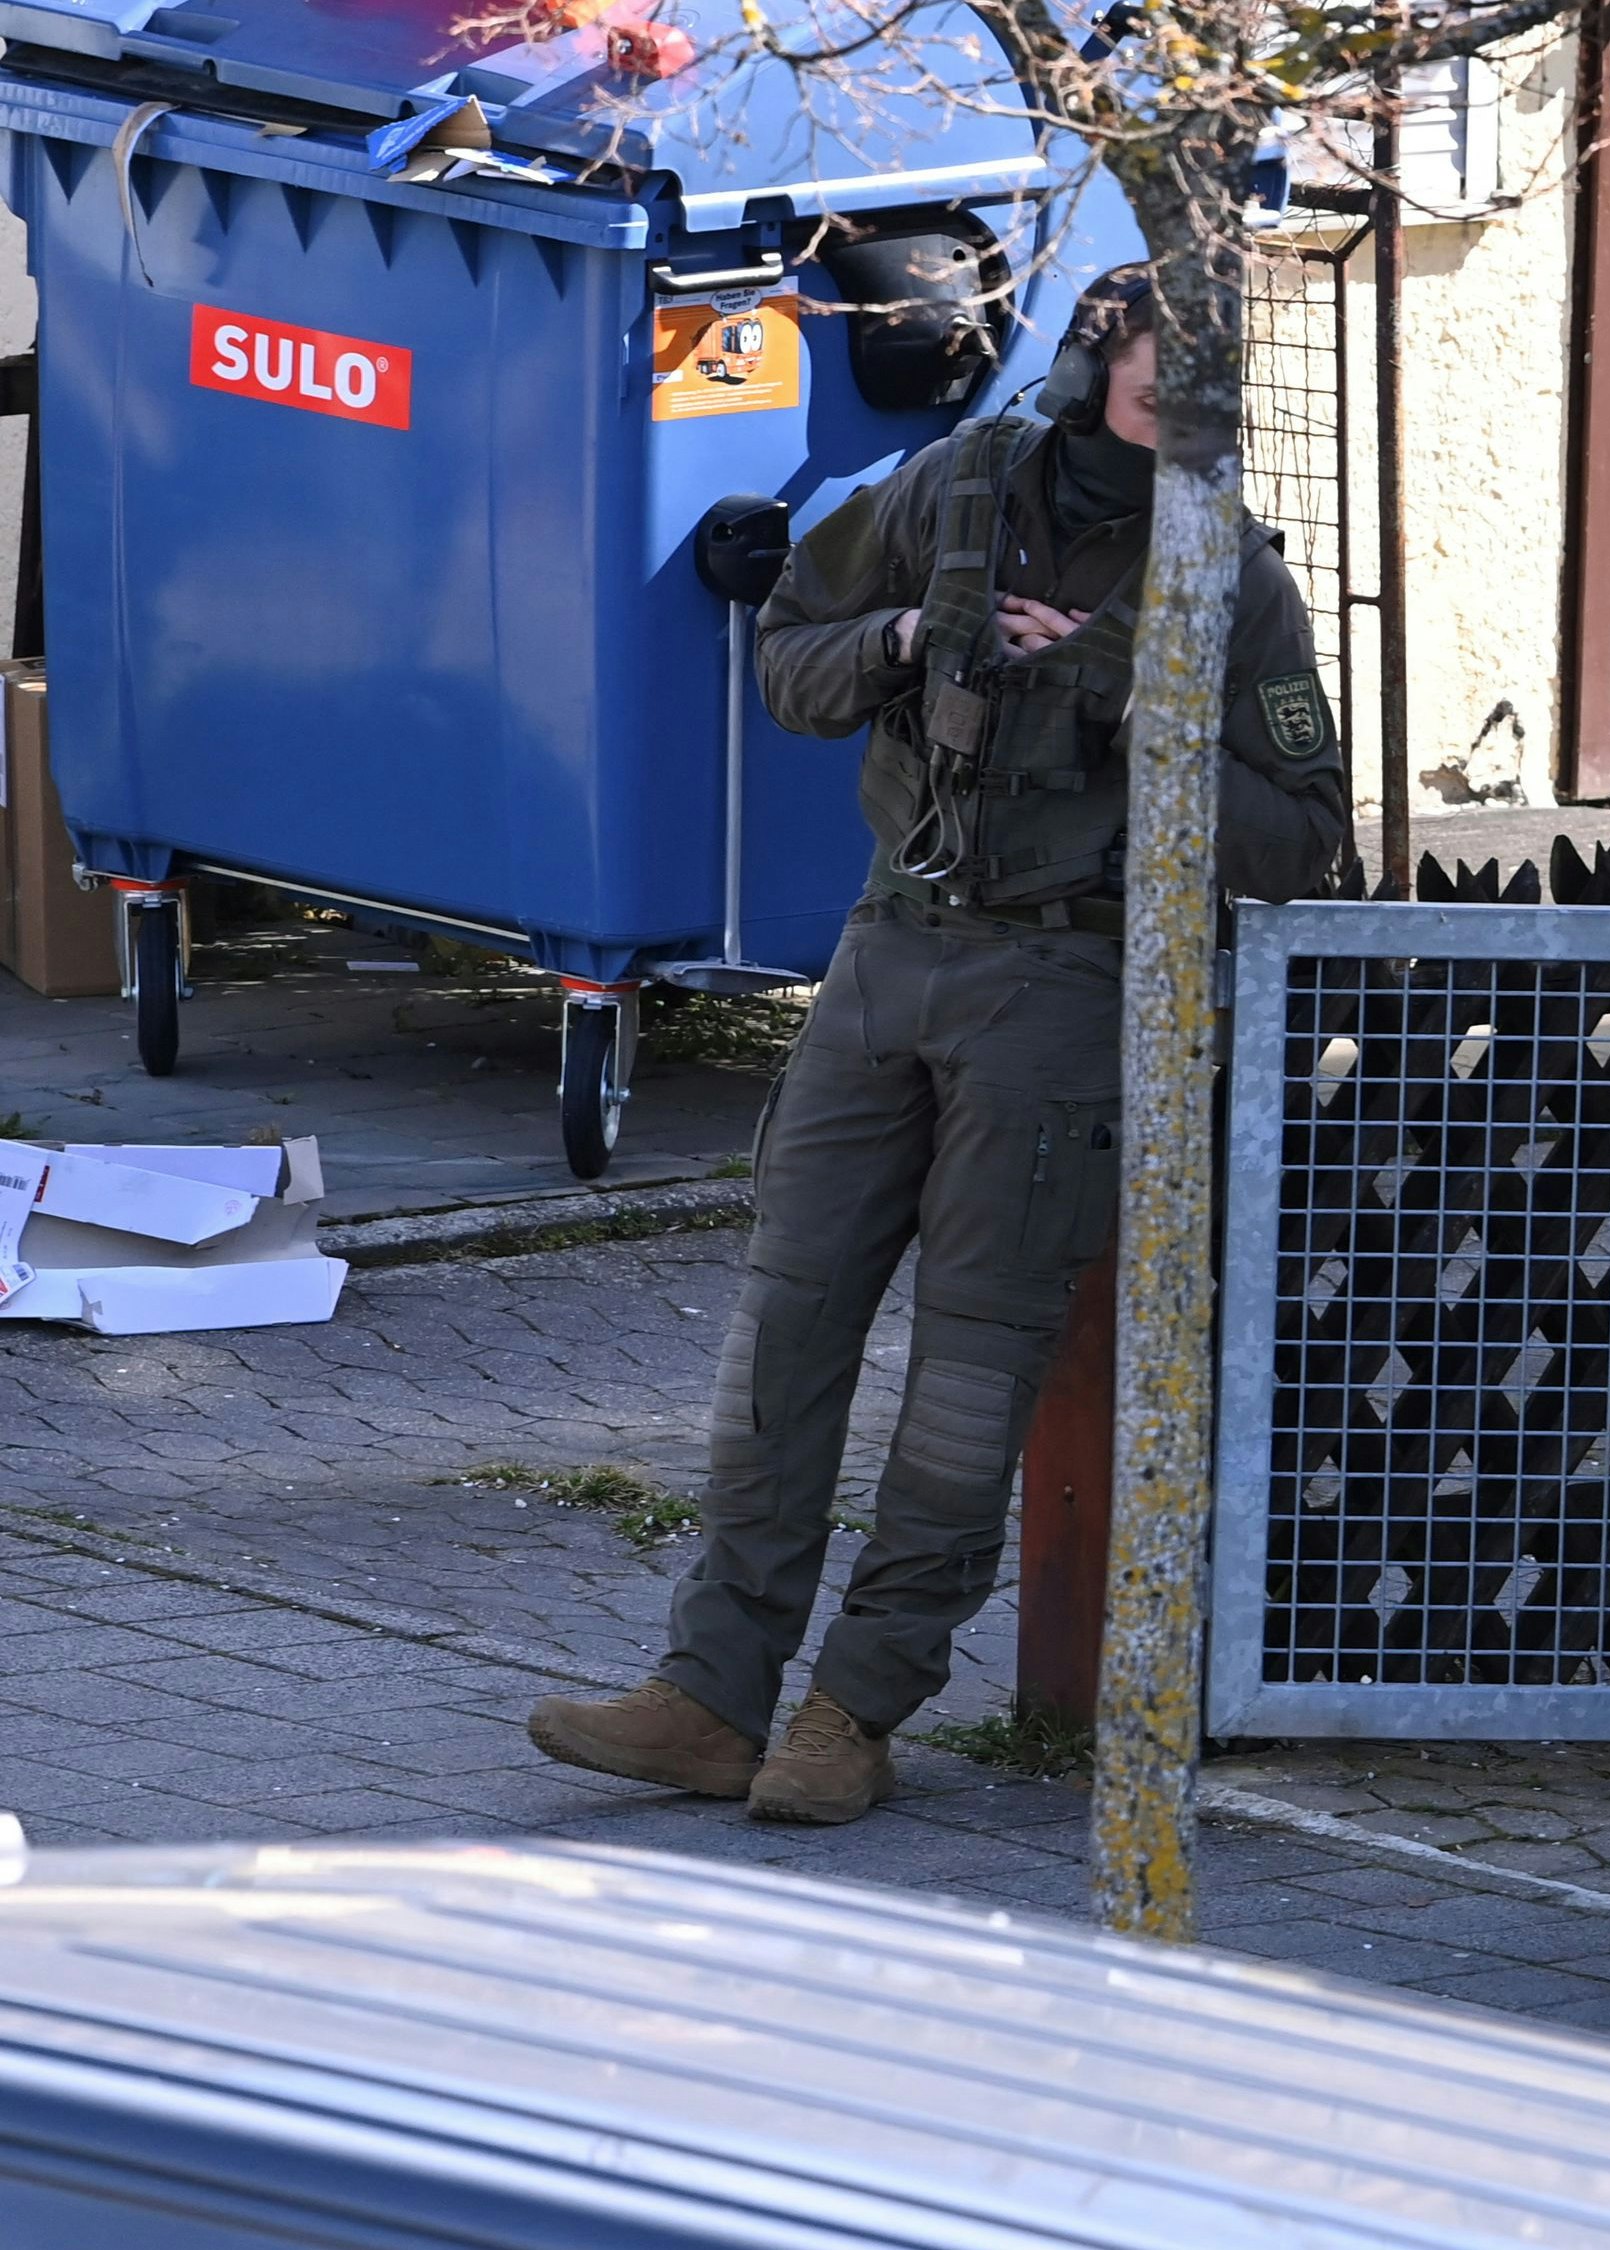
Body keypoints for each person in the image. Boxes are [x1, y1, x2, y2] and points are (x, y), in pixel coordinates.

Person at [526, 264, 1350, 1824]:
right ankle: (709, 1695)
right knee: (785, 1334)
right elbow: (790, 662)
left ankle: (851, 1711)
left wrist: (1135, 704)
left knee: (972, 1378)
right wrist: (904, 633)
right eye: (1163, 369)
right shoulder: (953, 486)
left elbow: (1308, 840)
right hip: (887, 956)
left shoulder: (1231, 578)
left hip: (1065, 998)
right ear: (1099, 362)